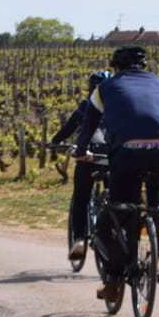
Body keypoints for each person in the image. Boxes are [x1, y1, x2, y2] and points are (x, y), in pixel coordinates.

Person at [74, 46, 159, 300]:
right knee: (156, 184)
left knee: (114, 217)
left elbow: (88, 124)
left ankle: (113, 281)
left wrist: (81, 150)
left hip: (127, 152)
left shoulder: (105, 88)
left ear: (115, 67)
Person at [50, 70, 113, 261]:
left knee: (81, 198)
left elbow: (69, 127)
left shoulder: (87, 105)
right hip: (113, 156)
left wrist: (55, 141)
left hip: (88, 158)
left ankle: (78, 239)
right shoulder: (119, 105)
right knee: (117, 196)